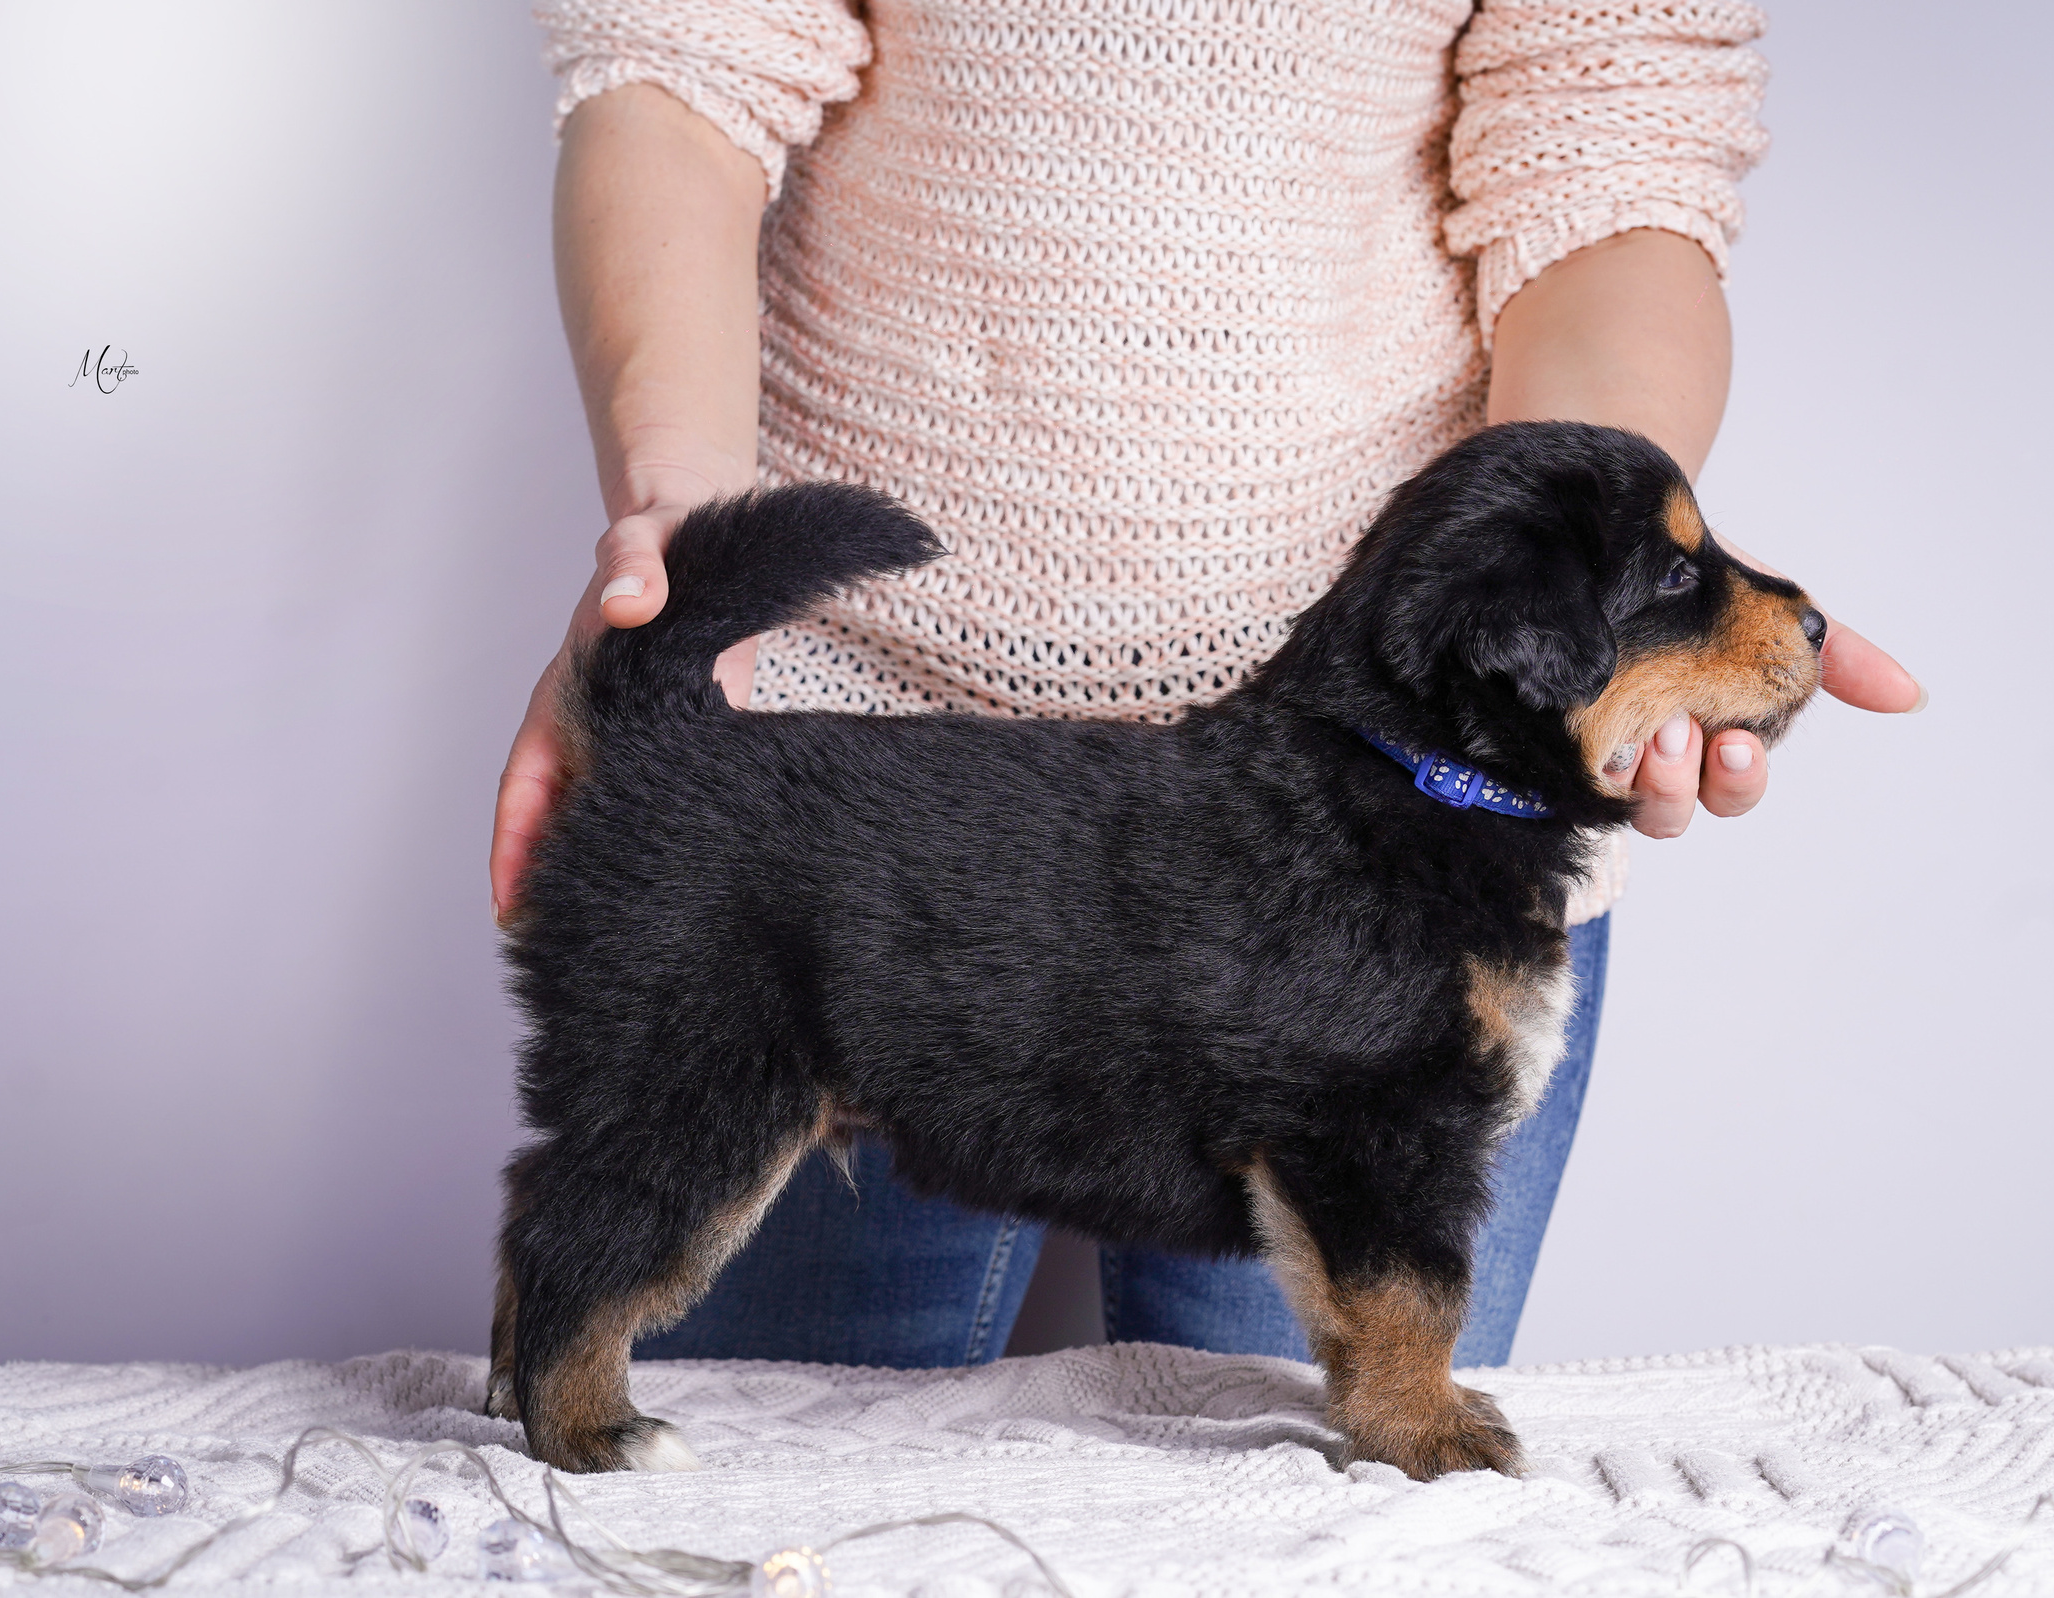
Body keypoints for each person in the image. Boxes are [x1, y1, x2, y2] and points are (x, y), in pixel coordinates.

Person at [494, 0, 1920, 1370]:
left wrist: (1586, 580)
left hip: (1419, 809)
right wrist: (672, 521)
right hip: (844, 816)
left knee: (1357, 1505)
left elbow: (1616, 140)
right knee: (739, 1487)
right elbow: (684, 56)